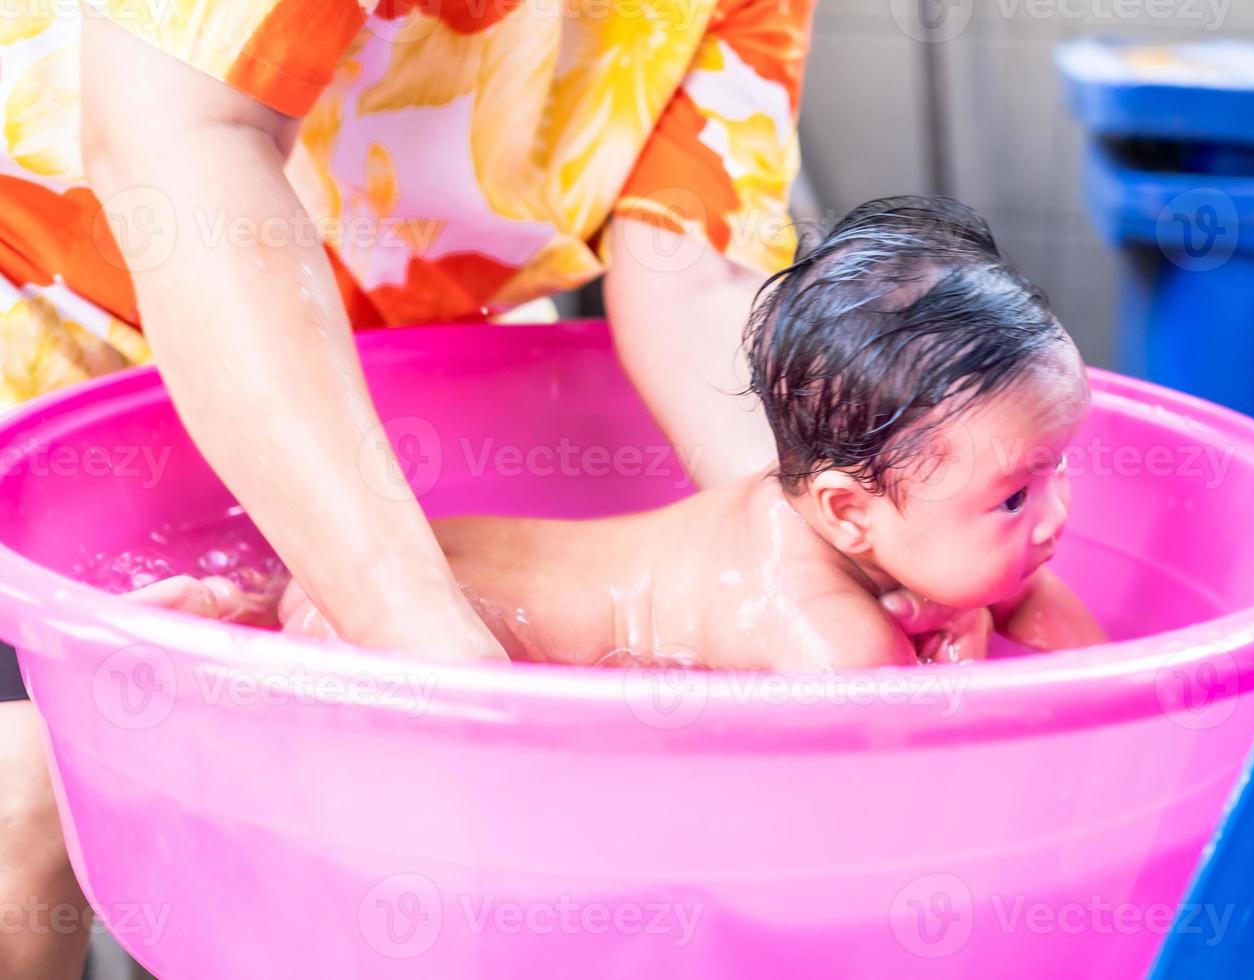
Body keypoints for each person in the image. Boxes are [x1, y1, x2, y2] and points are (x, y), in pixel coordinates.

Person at [0, 1, 815, 975]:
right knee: (30, 799)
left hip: (409, 374)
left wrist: (821, 540)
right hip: (53, 330)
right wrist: (428, 650)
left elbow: (693, 273)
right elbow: (173, 145)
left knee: (350, 856)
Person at [144, 198, 1108, 668]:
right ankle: (258, 621)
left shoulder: (876, 514)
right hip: (436, 624)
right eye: (1017, 495)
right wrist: (961, 662)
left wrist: (999, 596)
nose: (1057, 514)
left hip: (444, 556)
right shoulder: (826, 633)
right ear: (848, 511)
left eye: (1054, 468)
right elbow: (926, 782)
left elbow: (1086, 661)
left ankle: (253, 603)